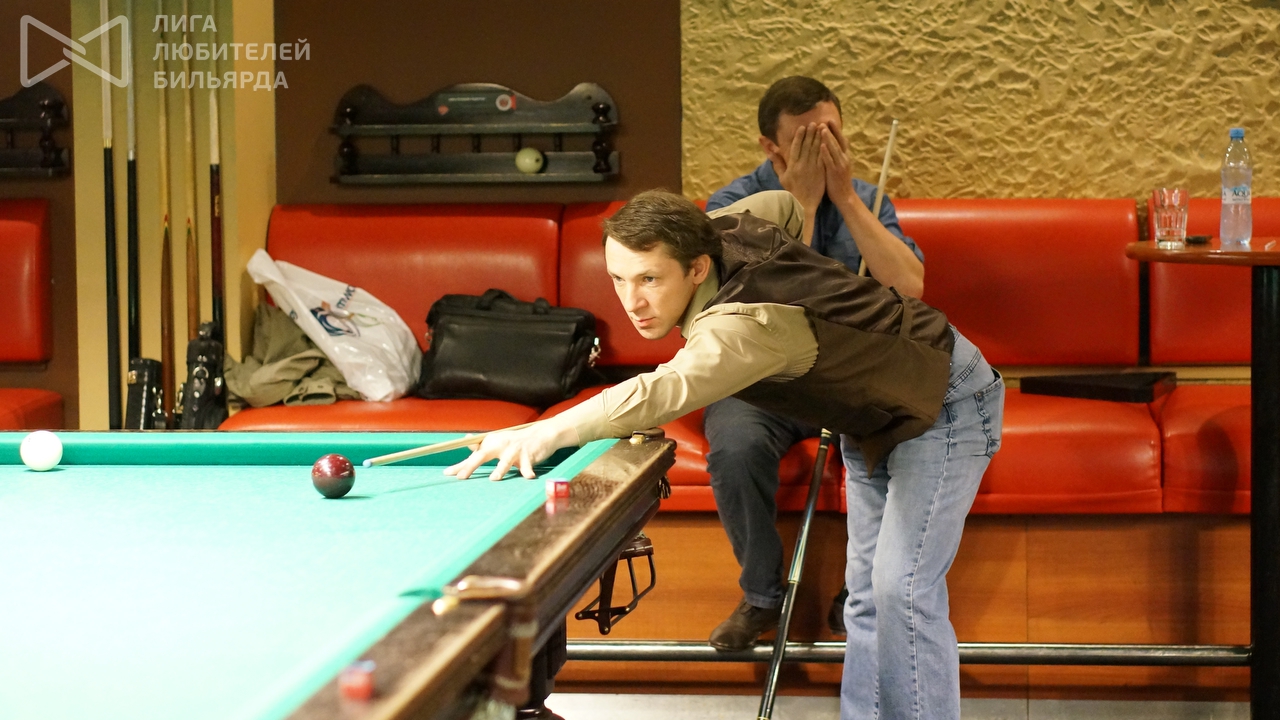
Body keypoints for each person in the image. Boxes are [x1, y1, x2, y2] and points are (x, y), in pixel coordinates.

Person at [446, 189, 1004, 720]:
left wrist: (545, 432)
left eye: (649, 279)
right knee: (865, 597)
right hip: (870, 414)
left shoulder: (743, 328)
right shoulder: (721, 231)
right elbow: (785, 206)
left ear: (696, 268)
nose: (632, 301)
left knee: (900, 592)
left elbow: (658, 392)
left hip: (944, 400)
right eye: (619, 278)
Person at [702, 76, 926, 651]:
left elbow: (911, 287)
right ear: (770, 146)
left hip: (847, 378)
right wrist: (799, 203)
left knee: (903, 436)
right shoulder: (730, 204)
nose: (823, 150)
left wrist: (845, 198)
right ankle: (761, 595)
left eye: (831, 135)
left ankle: (862, 591)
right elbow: (752, 293)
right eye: (806, 140)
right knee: (734, 447)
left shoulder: (869, 199)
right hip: (762, 381)